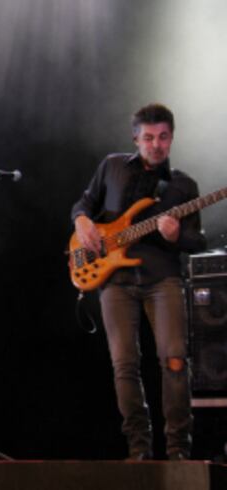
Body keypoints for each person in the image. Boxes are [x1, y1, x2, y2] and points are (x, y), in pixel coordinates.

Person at [71, 103, 206, 461]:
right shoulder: (112, 166)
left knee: (175, 360)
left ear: (172, 138)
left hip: (164, 279)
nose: (156, 145)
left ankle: (178, 450)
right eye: (148, 138)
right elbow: (83, 204)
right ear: (135, 138)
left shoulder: (183, 185)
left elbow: (198, 241)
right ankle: (138, 449)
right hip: (115, 280)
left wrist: (176, 235)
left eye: (163, 137)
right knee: (124, 366)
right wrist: (81, 221)